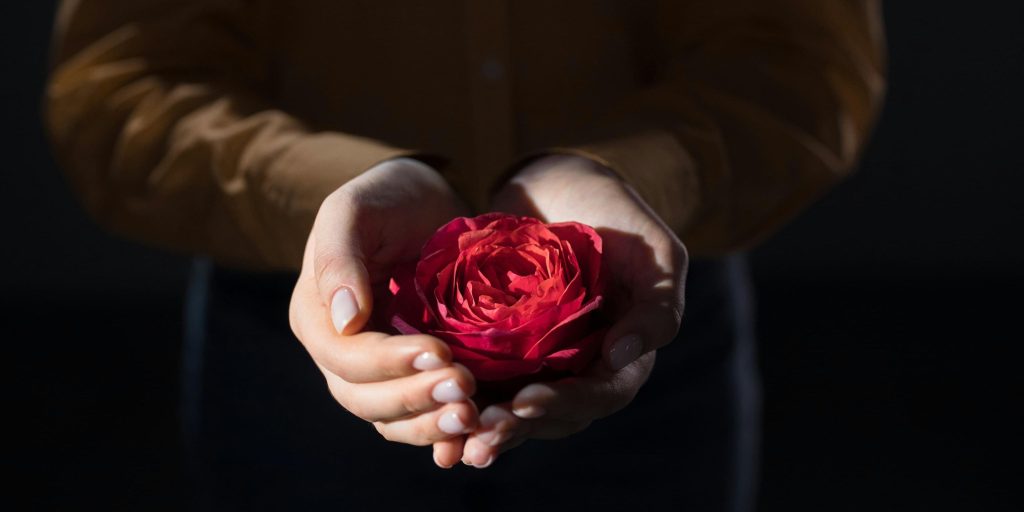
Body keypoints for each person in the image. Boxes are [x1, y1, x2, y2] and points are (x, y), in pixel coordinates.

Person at [45, 1, 885, 509]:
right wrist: (334, 191)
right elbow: (119, 90)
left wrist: (627, 181)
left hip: (645, 309)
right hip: (296, 337)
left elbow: (803, 70)